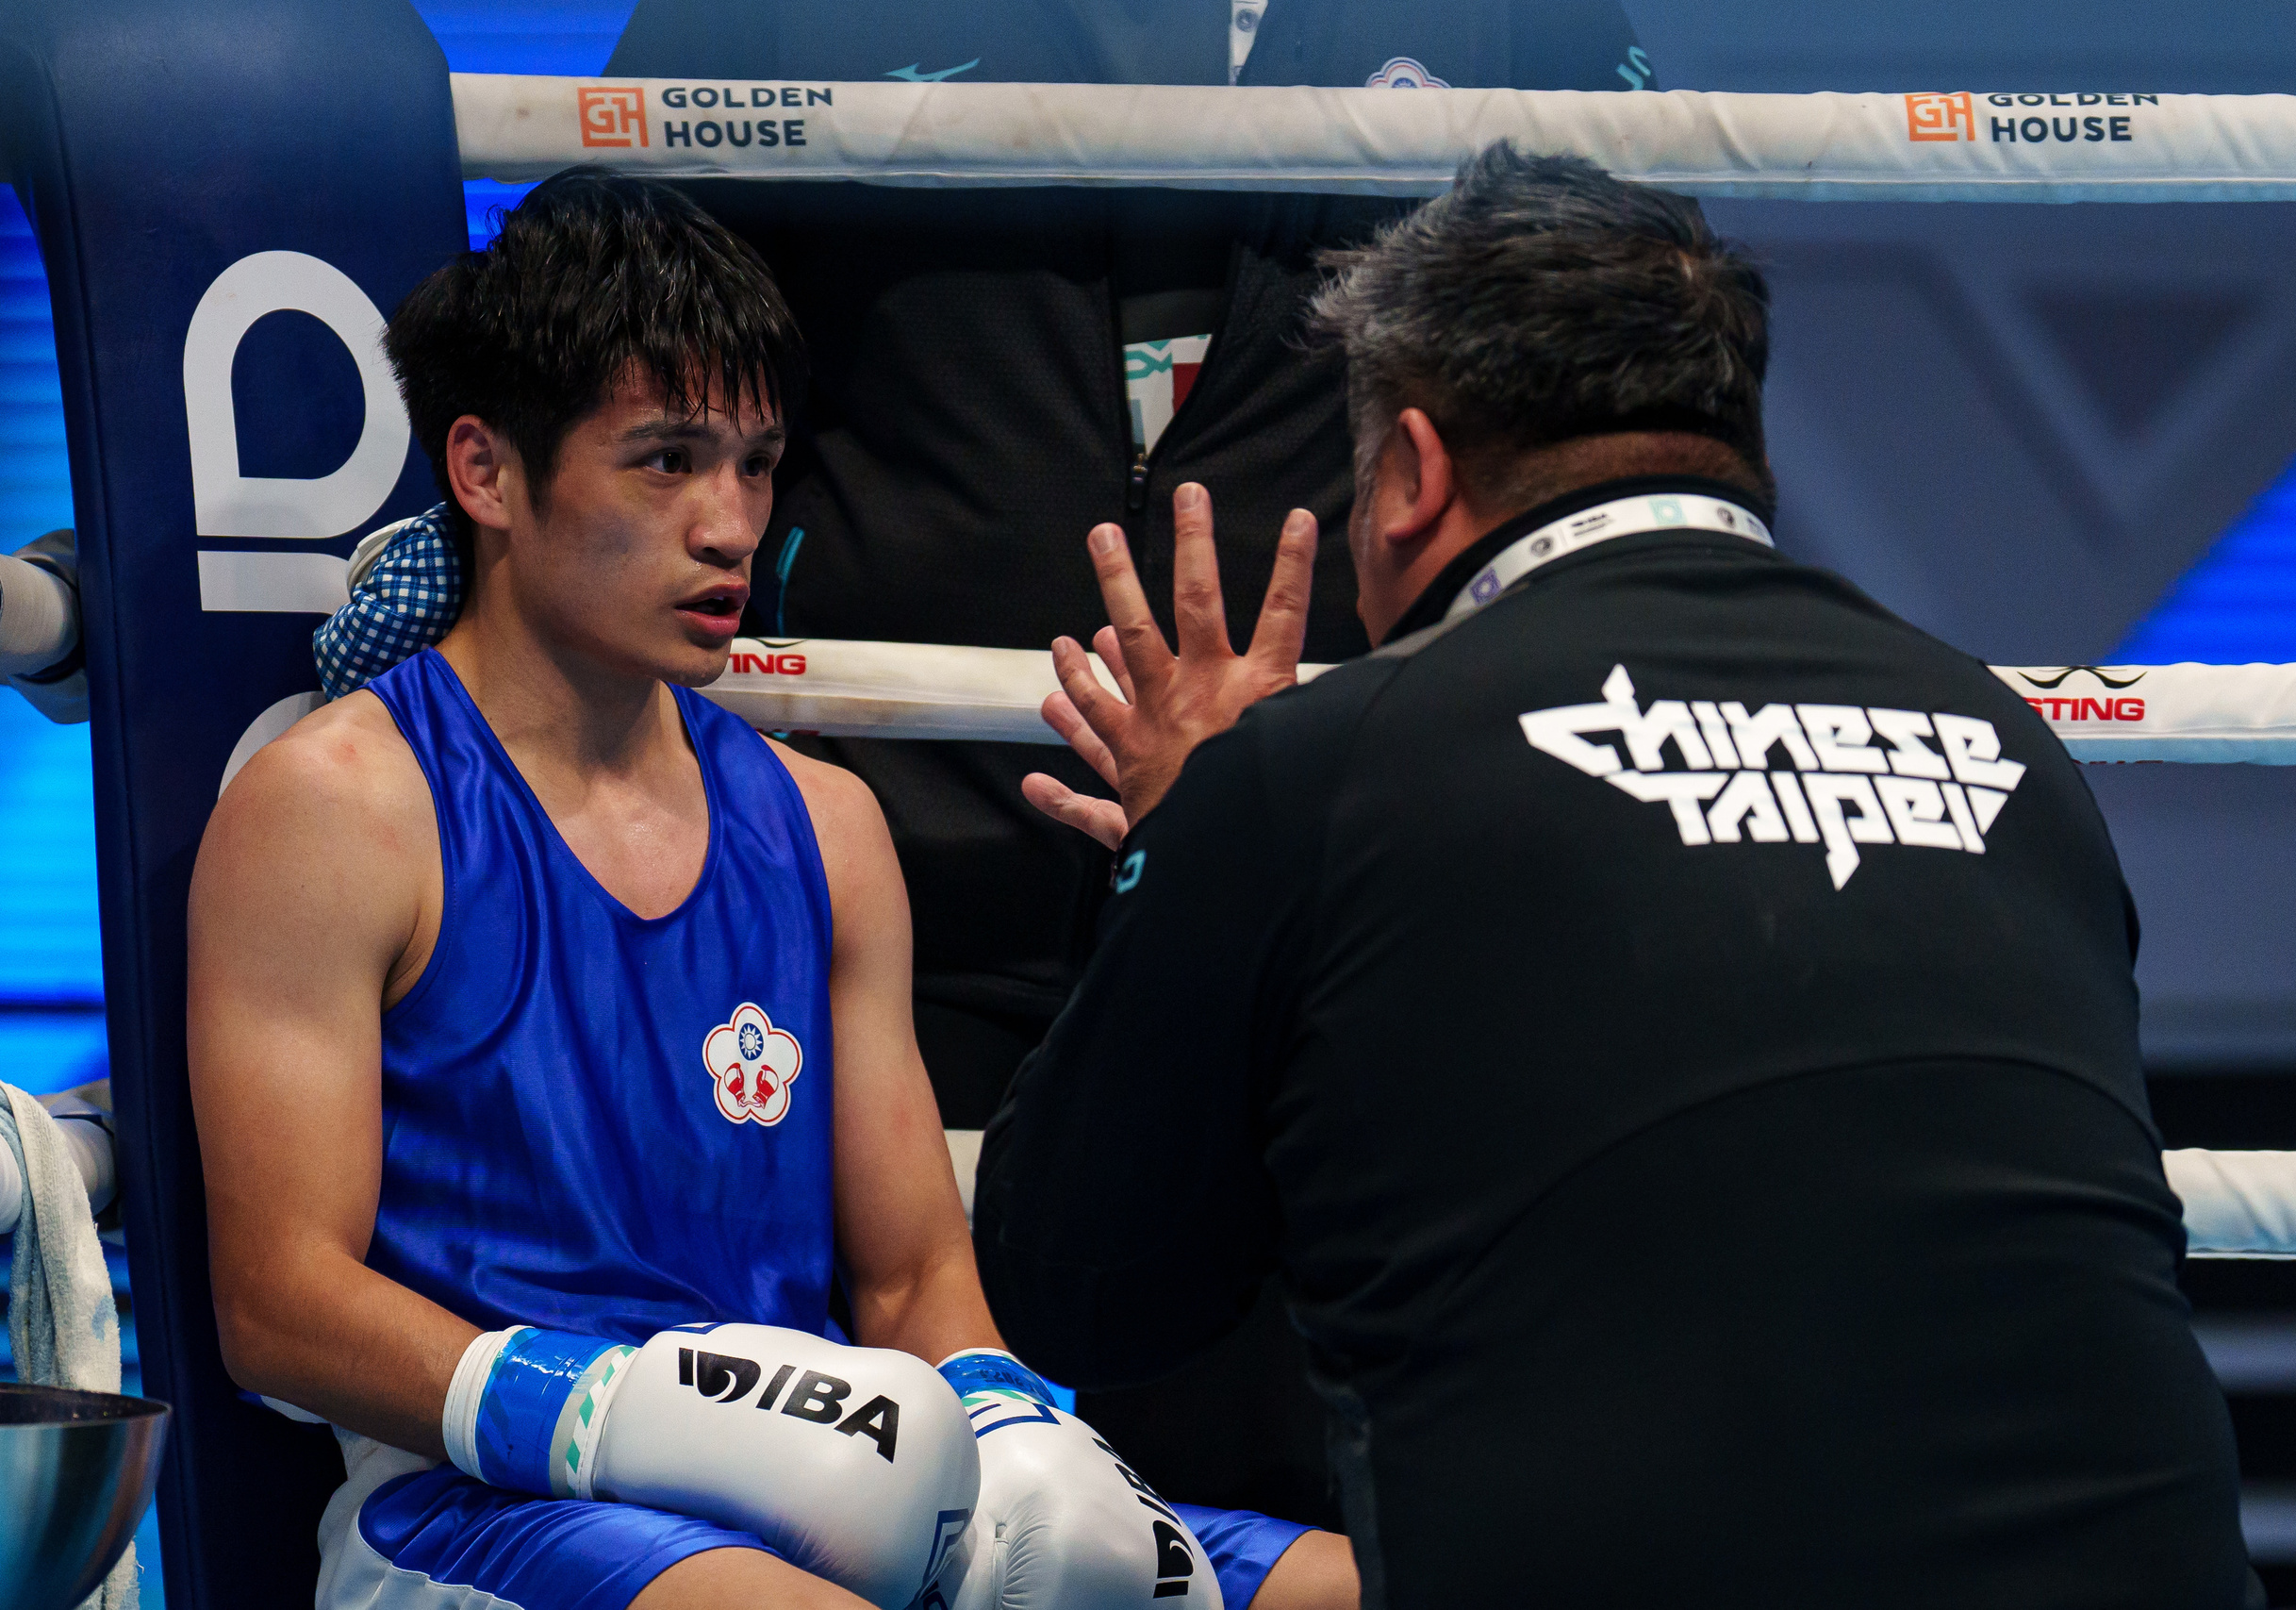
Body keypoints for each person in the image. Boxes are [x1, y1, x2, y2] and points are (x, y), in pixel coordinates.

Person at [976, 145, 2251, 1608]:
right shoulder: (2009, 745)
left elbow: (1080, 1284)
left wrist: (1183, 843)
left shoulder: (1330, 768)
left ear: (1408, 474)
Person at [187, 171, 1352, 1610]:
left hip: (842, 1482)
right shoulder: (337, 806)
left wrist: (1017, 1433)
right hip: (485, 1508)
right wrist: (612, 1410)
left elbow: (916, 1275)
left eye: (754, 463)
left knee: (1358, 1585)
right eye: (665, 462)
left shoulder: (825, 824)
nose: (731, 524)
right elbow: (276, 1304)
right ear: (487, 473)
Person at [605, 0, 1661, 1522]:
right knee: (860, 1494)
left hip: (1331, 910)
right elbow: (618, 306)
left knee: (1294, 1490)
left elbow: (1625, 387)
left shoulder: (1519, 15)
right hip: (888, 888)